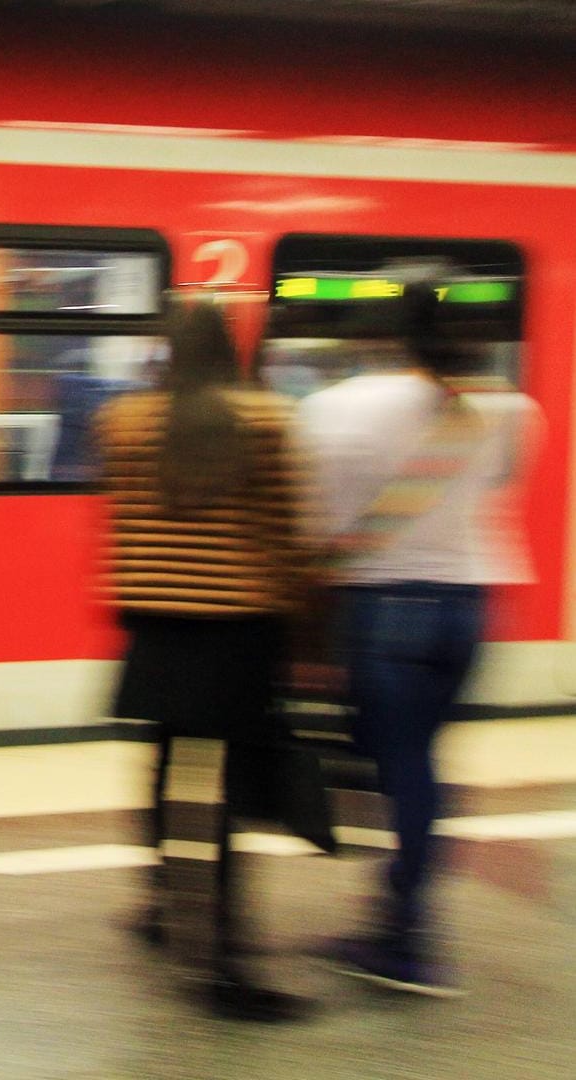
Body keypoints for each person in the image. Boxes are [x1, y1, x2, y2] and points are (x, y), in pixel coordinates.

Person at [299, 272, 540, 997]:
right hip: (470, 603)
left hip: (384, 606)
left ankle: (407, 937)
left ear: (391, 332)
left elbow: (316, 517)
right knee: (420, 763)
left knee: (397, 769)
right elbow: (498, 488)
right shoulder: (511, 408)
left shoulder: (337, 406)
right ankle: (394, 916)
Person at [95, 299, 310, 1021]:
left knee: (165, 770)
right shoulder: (269, 420)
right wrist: (306, 631)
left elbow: (120, 520)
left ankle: (162, 902)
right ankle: (224, 962)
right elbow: (283, 536)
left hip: (154, 626)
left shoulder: (124, 422)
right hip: (238, 630)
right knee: (227, 797)